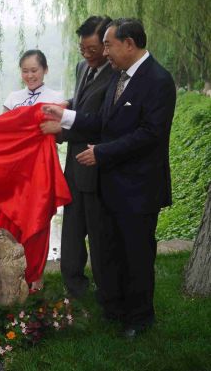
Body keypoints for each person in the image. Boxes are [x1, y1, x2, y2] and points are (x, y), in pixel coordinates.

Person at [41, 18, 176, 338]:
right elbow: (102, 120)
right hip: (113, 185)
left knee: (138, 255)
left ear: (129, 44)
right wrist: (65, 115)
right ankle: (116, 310)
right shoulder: (120, 76)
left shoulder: (158, 80)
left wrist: (102, 153)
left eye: (108, 45)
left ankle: (140, 319)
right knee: (114, 252)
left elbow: (150, 135)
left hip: (140, 188)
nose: (105, 52)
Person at [41, 15, 114, 298]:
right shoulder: (83, 66)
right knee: (71, 231)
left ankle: (106, 290)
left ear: (107, 45)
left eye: (92, 50)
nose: (86, 54)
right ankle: (74, 287)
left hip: (98, 167)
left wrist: (63, 127)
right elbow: (81, 104)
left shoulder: (117, 74)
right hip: (74, 166)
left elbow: (101, 121)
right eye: (82, 49)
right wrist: (65, 105)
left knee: (98, 235)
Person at [3, 49, 64, 292]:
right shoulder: (12, 98)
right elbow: (1, 132)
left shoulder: (56, 98)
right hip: (15, 170)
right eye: (25, 71)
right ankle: (12, 270)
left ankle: (35, 275)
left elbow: (60, 132)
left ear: (45, 70)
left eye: (34, 70)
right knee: (13, 218)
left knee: (38, 217)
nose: (30, 75)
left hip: (40, 170)